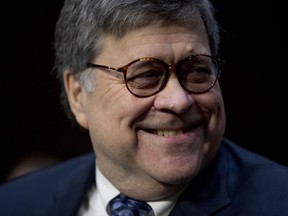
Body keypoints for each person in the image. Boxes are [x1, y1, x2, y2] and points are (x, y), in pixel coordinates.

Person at [1, 0, 288, 215]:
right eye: (146, 76)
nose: (179, 100)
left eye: (197, 70)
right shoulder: (15, 203)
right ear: (77, 94)